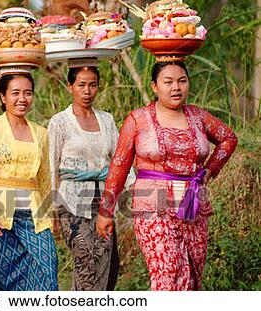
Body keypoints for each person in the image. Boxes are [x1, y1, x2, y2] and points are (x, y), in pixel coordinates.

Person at [96, 61, 238, 290]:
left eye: (182, 81)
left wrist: (209, 170)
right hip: (153, 203)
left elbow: (228, 139)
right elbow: (120, 165)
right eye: (168, 82)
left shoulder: (198, 117)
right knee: (166, 272)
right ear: (154, 86)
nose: (176, 88)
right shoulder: (138, 119)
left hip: (193, 203)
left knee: (191, 274)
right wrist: (106, 210)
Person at [48, 65, 135, 290]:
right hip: (71, 203)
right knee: (87, 260)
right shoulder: (60, 122)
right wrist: (52, 210)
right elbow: (50, 165)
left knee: (108, 265)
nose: (87, 91)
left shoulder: (106, 120)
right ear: (70, 87)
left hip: (104, 203)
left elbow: (120, 159)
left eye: (93, 85)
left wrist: (134, 190)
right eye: (81, 85)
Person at [0, 71, 58, 291]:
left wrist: (49, 213)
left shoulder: (41, 133)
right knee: (4, 282)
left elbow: (44, 178)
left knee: (47, 274)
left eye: (28, 93)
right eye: (15, 93)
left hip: (34, 217)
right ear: (2, 96)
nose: (22, 99)